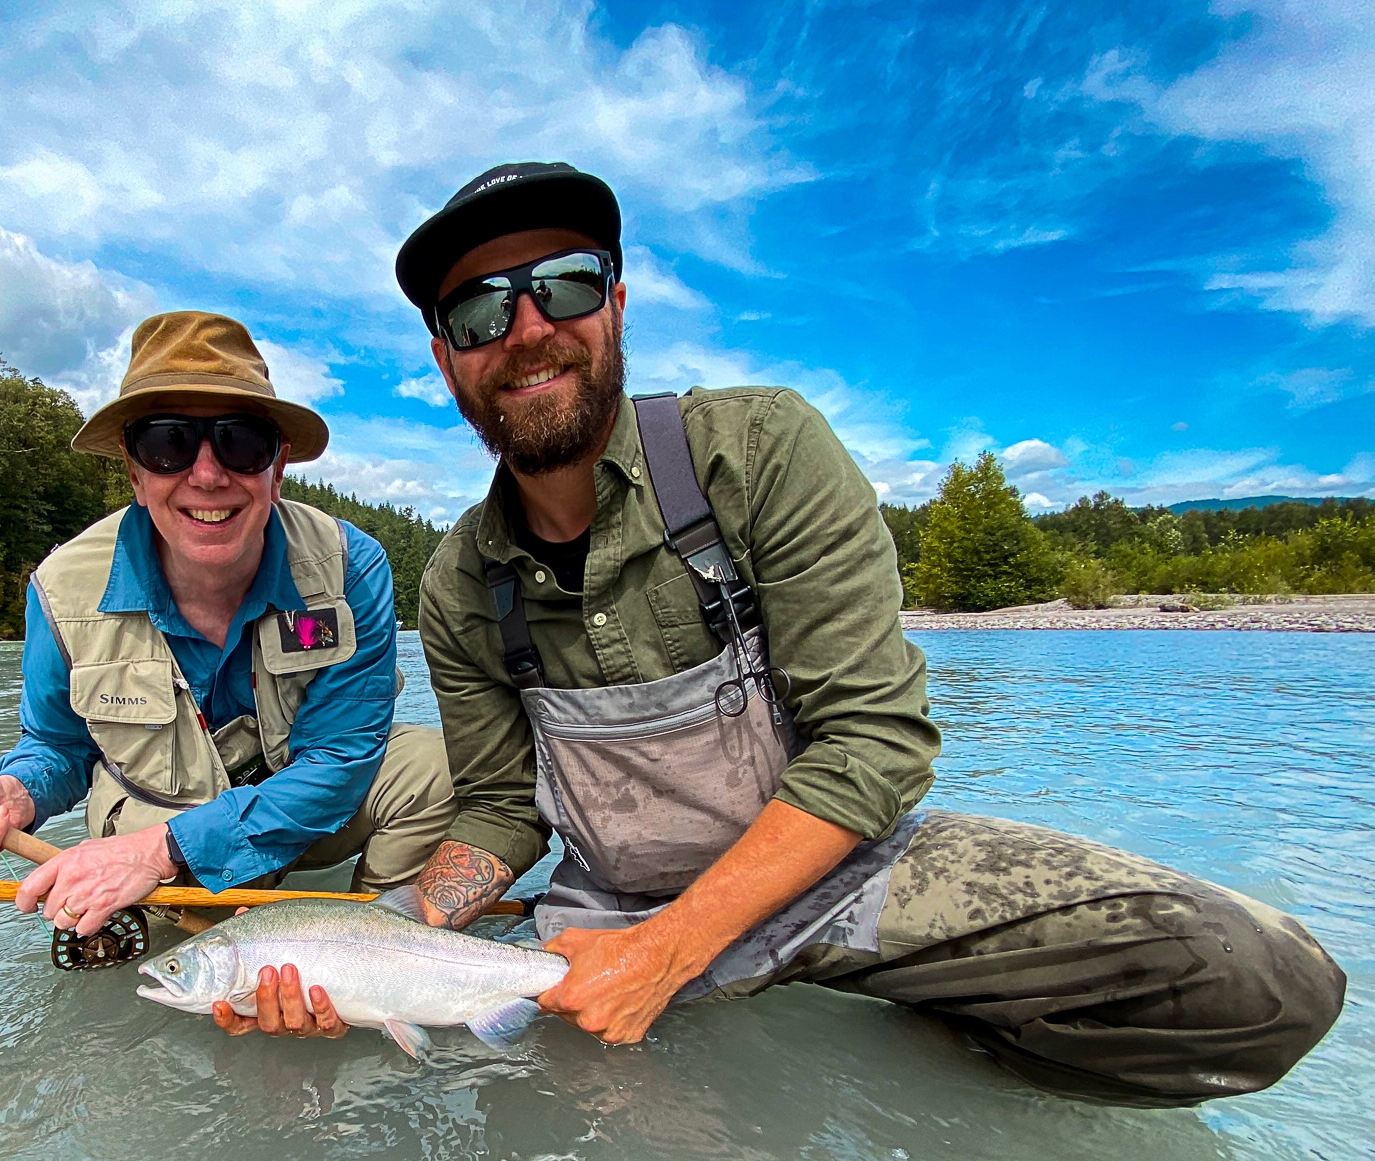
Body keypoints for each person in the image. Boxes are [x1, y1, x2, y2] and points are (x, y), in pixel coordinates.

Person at [229, 161, 1344, 1106]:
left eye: (562, 286)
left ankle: (941, 1066)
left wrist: (672, 953)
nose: (525, 330)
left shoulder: (756, 453)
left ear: (615, 303)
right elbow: (501, 809)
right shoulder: (461, 586)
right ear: (444, 358)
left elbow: (873, 741)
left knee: (1258, 979)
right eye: (478, 311)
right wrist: (393, 926)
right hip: (604, 917)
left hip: (837, 879)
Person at [0, 311, 454, 972]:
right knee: (166, 947)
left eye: (241, 442)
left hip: (292, 809)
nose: (206, 474)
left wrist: (162, 852)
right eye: (168, 443)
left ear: (277, 468)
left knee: (438, 769)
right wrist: (16, 796)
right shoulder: (61, 590)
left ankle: (379, 959)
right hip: (152, 814)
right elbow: (58, 744)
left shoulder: (349, 567)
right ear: (135, 474)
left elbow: (340, 757)